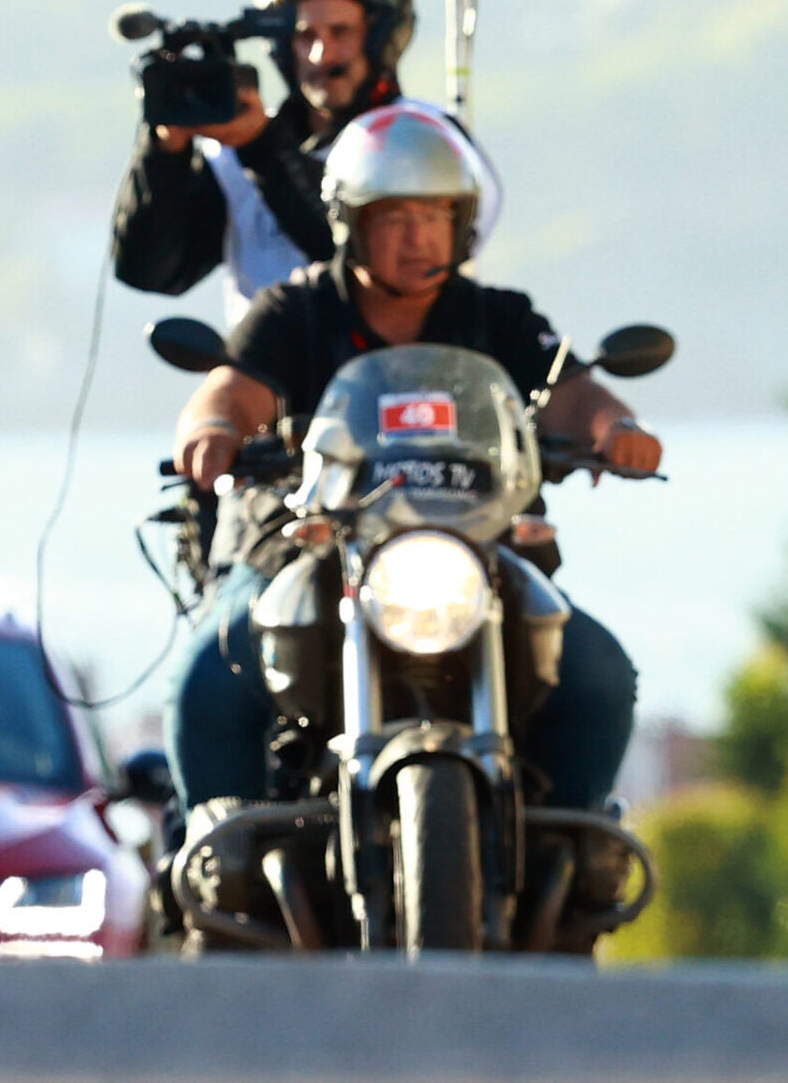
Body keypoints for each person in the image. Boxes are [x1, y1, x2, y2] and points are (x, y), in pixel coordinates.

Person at [164, 105, 658, 819]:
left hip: (476, 550)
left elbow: (573, 392)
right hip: (309, 547)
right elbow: (230, 389)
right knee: (214, 670)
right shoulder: (294, 311)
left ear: (462, 224)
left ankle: (578, 843)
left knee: (596, 673)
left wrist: (617, 428)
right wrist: (213, 426)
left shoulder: (499, 317)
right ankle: (219, 848)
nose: (417, 235)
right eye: (394, 216)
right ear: (350, 221)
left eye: (434, 216)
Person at [113, 0, 499, 325]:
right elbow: (152, 272)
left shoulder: (430, 141)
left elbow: (365, 264)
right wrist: (165, 152)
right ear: (281, 47)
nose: (320, 55)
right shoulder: (231, 154)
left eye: (340, 32)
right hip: (261, 363)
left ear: (381, 38)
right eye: (304, 35)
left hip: (402, 361)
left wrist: (262, 149)